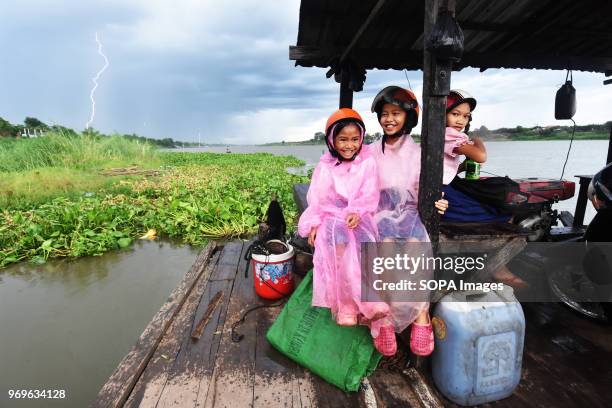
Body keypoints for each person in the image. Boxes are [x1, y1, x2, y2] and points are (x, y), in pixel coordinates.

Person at [298, 108, 393, 355]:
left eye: (354, 139)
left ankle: (370, 305)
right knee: (337, 249)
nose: (349, 145)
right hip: (332, 217)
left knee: (365, 247)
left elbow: (369, 195)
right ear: (332, 140)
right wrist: (316, 223)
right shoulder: (325, 166)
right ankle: (347, 307)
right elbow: (318, 198)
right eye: (343, 139)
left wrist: (357, 211)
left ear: (361, 138)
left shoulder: (367, 162)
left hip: (359, 217)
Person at [369, 86, 448, 357]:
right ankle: (386, 318)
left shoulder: (420, 153)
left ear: (409, 117)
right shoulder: (369, 152)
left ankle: (421, 314)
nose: (388, 119)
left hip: (410, 210)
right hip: (379, 211)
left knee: (418, 244)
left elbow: (428, 189)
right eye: (384, 114)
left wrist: (438, 201)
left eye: (395, 113)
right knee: (387, 245)